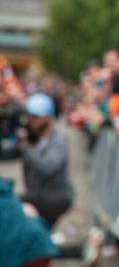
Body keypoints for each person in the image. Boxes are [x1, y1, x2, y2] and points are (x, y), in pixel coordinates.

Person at [19, 93, 73, 229]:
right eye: (30, 116)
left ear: (48, 117)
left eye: (36, 117)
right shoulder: (31, 137)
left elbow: (47, 168)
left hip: (54, 198)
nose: (31, 120)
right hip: (36, 195)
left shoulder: (58, 141)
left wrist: (26, 149)